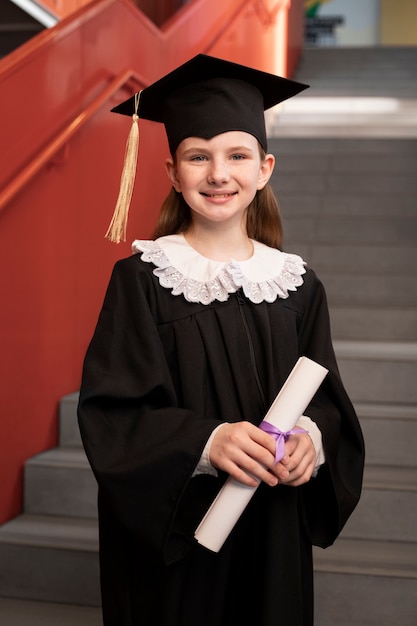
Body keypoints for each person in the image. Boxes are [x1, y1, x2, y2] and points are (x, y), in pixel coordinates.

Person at [78, 54, 364, 626]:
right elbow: (114, 413)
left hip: (275, 520)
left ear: (265, 168)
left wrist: (312, 440)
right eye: (197, 157)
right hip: (183, 530)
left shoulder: (298, 286)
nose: (218, 174)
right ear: (172, 172)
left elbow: (327, 402)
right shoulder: (143, 280)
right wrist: (206, 442)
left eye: (237, 155)